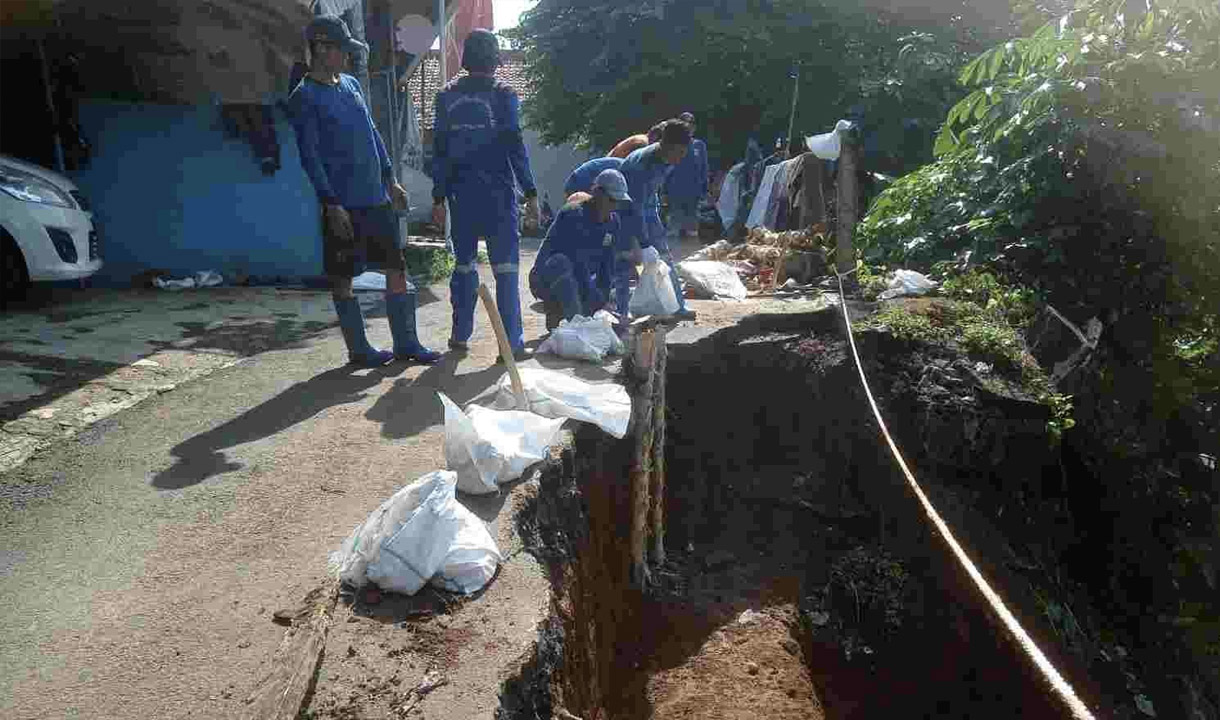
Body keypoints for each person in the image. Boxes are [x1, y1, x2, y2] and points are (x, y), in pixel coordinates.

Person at [287, 15, 440, 367]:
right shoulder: (304, 98)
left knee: (395, 269)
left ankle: (407, 344)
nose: (348, 56)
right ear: (322, 49)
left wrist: (391, 179)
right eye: (342, 50)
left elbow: (373, 136)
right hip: (342, 206)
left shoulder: (352, 86)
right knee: (343, 278)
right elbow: (310, 157)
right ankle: (359, 351)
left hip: (376, 199)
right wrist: (330, 202)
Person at [431, 29, 539, 360]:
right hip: (498, 196)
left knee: (463, 268)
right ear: (494, 60)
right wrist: (531, 192)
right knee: (505, 270)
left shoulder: (445, 96)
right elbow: (515, 146)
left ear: (465, 59)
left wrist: (438, 198)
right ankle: (511, 345)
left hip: (461, 198)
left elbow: (439, 152)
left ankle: (459, 338)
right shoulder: (504, 94)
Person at [529, 169, 631, 330]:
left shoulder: (613, 222)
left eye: (618, 201)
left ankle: (568, 315)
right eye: (611, 200)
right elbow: (578, 263)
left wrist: (604, 301)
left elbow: (608, 264)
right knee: (561, 263)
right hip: (547, 278)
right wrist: (597, 301)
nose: (614, 206)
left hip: (579, 277)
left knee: (615, 277)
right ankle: (575, 327)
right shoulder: (574, 215)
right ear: (598, 194)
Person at [617, 120, 695, 321]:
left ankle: (677, 306)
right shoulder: (642, 164)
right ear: (666, 145)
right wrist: (643, 243)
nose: (680, 158)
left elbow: (649, 198)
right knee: (625, 259)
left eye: (684, 153)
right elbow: (634, 208)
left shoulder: (667, 159)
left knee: (665, 257)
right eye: (678, 153)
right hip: (625, 208)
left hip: (648, 205)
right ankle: (621, 310)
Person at [664, 111, 709, 242]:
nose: (689, 126)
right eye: (685, 123)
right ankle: (672, 257)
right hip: (675, 191)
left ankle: (691, 255)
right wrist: (664, 190)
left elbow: (704, 168)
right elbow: (667, 168)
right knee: (673, 229)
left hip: (694, 192)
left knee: (692, 230)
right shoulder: (671, 145)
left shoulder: (699, 145)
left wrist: (705, 189)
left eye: (691, 123)